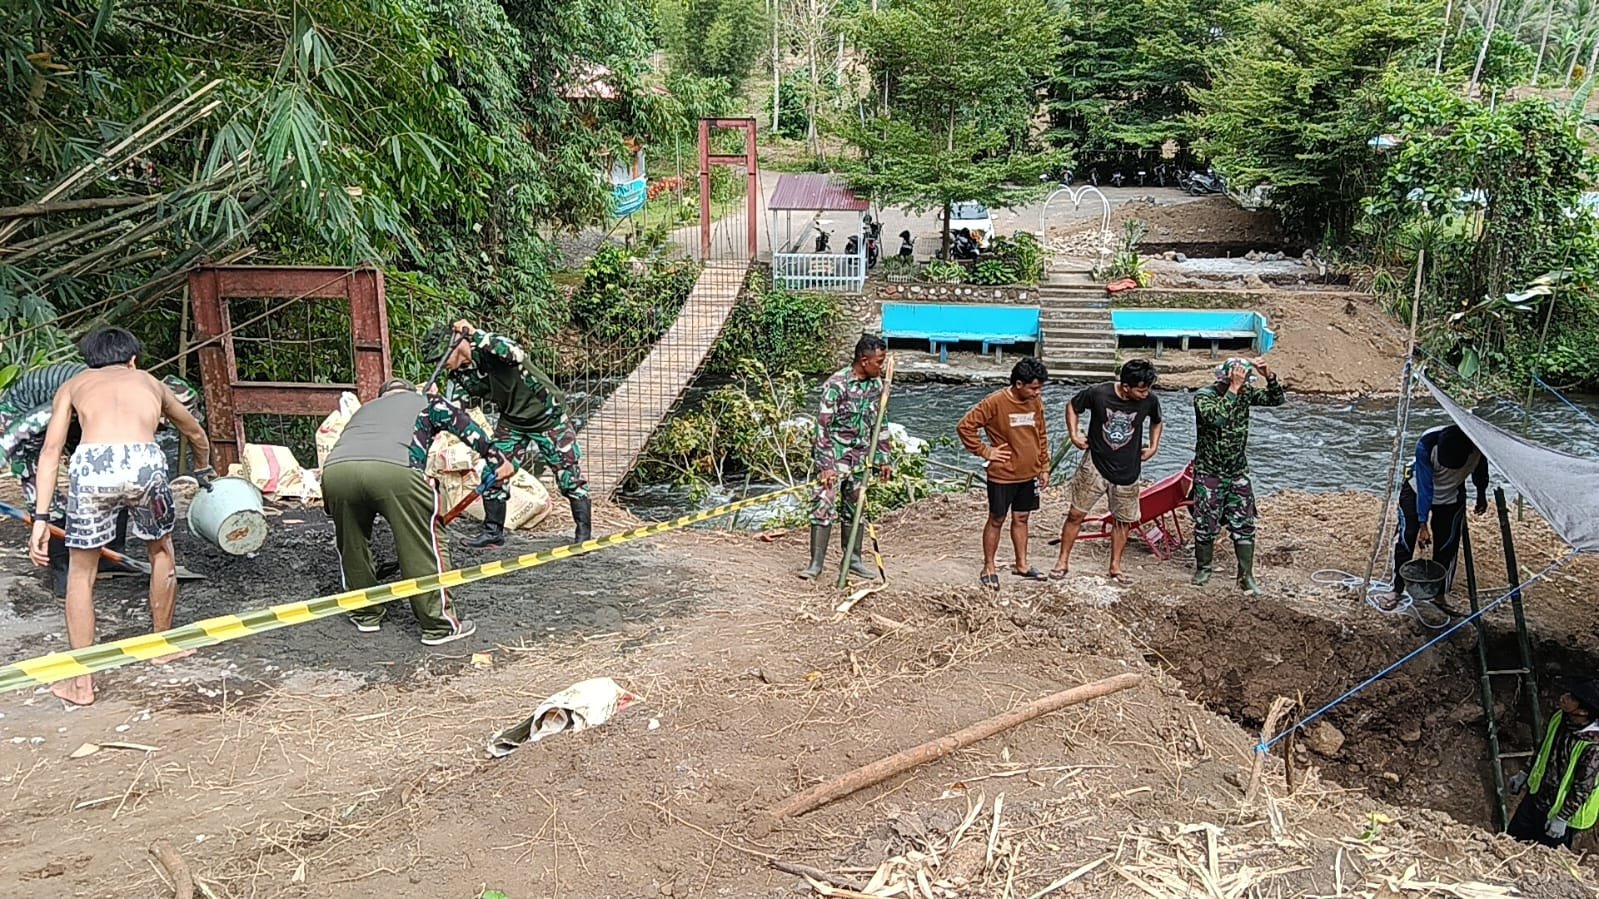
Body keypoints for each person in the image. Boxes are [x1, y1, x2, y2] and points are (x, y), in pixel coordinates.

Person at [25, 328, 212, 706]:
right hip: (144, 462)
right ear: (132, 359)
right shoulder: (151, 382)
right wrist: (203, 468)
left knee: (81, 572)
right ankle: (161, 645)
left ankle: (82, 684)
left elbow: (51, 451)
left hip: (93, 465)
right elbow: (194, 431)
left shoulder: (73, 385)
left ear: (90, 362)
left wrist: (41, 518)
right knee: (161, 551)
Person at [323, 378, 515, 644]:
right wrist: (497, 459)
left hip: (336, 473)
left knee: (351, 542)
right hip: (395, 470)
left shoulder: (364, 410)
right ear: (410, 390)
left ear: (382, 395)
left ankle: (365, 614)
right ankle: (438, 626)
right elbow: (463, 424)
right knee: (422, 540)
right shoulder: (425, 401)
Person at [1, 364, 201, 594]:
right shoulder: (82, 389)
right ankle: (62, 570)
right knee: (46, 496)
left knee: (117, 472)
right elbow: (18, 433)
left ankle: (109, 557)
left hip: (72, 421)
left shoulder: (132, 391)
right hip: (20, 419)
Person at [437, 320, 590, 547]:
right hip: (512, 420)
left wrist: (475, 333)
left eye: (442, 359)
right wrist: (432, 406)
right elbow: (457, 408)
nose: (442, 366)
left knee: (568, 475)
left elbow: (515, 353)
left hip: (547, 416)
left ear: (457, 347)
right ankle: (493, 532)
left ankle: (583, 535)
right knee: (494, 471)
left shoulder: (490, 347)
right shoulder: (459, 375)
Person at [1049, 359, 1163, 584]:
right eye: (1141, 390)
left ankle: (1115, 567)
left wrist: (1153, 446)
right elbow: (1073, 406)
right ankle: (1062, 562)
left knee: (1122, 521)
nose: (1145, 394)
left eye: (1148, 389)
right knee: (1076, 514)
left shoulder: (1149, 400)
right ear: (1126, 387)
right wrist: (1074, 434)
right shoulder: (1098, 393)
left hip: (1128, 469)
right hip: (1095, 464)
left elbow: (1157, 422)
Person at [800, 334, 893, 580]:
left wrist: (884, 457)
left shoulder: (876, 386)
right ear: (864, 361)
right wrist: (826, 465)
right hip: (835, 457)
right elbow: (822, 427)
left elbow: (881, 422)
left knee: (856, 507)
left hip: (861, 458)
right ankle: (815, 564)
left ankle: (853, 559)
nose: (881, 367)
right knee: (823, 504)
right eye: (879, 362)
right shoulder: (837, 385)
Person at [1190, 357, 1285, 595]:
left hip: (1237, 472)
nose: (1244, 387)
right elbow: (1216, 418)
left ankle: (1245, 577)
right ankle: (1204, 569)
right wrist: (1233, 388)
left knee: (1244, 524)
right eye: (1241, 382)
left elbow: (1276, 400)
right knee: (1205, 523)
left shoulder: (1244, 393)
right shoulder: (1204, 396)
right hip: (1209, 472)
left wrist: (1269, 377)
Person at [957, 357, 1050, 589]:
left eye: (1039, 388)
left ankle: (1022, 564)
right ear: (1019, 384)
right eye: (1033, 388)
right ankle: (989, 566)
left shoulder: (1035, 402)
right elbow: (965, 426)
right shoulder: (995, 402)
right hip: (1003, 474)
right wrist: (985, 451)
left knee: (1022, 518)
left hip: (1029, 473)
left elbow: (1041, 433)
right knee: (997, 518)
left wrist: (1044, 466)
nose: (1037, 392)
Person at [1386, 424, 1489, 608]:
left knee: (1447, 544)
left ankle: (1440, 593)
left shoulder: (1478, 448)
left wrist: (1481, 493)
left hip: (1451, 494)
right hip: (1417, 490)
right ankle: (1397, 588)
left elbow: (1480, 470)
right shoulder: (1426, 444)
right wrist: (1423, 524)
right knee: (1407, 536)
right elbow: (1425, 487)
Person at [1506, 681, 1599, 849]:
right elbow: (1544, 748)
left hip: (1561, 814)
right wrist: (1525, 773)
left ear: (1584, 711)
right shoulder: (1560, 718)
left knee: (1544, 857)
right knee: (1509, 844)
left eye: (1572, 698)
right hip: (1537, 799)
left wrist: (1562, 817)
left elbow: (1582, 787)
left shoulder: (1594, 746)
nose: (1564, 698)